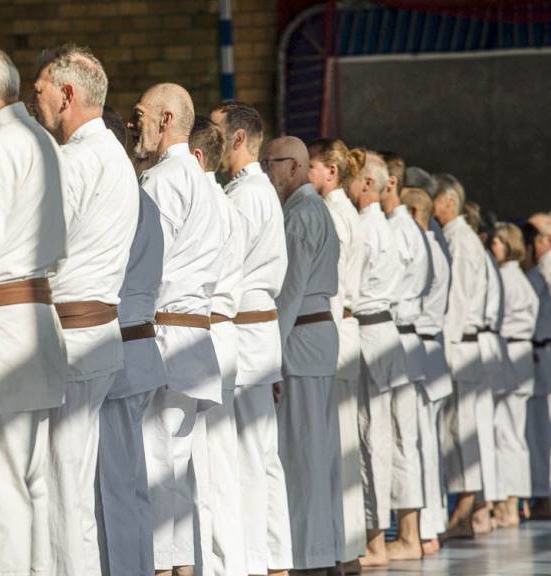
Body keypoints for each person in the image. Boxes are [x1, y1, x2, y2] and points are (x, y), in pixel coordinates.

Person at [0, 44, 68, 576]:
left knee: (1, 488)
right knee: (33, 483)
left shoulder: (1, 146)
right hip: (36, 320)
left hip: (4, 323)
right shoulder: (43, 141)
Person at [32, 44, 139, 575]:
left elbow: (42, 249)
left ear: (67, 94)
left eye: (40, 91)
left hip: (72, 337)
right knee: (72, 484)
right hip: (96, 334)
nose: (35, 100)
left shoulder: (75, 160)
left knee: (59, 487)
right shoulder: (114, 156)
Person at [129, 83, 224, 576]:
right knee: (176, 465)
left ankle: (165, 569)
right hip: (195, 334)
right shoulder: (207, 184)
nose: (134, 124)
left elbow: (145, 262)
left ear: (165, 119)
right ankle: (182, 567)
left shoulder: (163, 180)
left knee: (154, 463)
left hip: (164, 334)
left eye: (140, 114)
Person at [211, 101, 292, 576]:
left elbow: (225, 267)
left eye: (216, 131)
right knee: (260, 455)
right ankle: (272, 558)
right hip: (256, 332)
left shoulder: (246, 196)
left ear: (238, 138)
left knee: (246, 457)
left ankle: (253, 560)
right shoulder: (253, 191)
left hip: (244, 331)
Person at [263, 136, 343, 575]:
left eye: (271, 162)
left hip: (301, 338)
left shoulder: (300, 215)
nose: (266, 170)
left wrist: (270, 356)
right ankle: (325, 551)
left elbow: (288, 293)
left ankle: (310, 556)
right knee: (318, 449)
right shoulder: (313, 209)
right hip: (316, 336)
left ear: (294, 166)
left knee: (303, 453)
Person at [97, 107, 165, 576]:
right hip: (138, 345)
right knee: (132, 481)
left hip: (120, 346)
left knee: (116, 484)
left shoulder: (117, 195)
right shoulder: (142, 198)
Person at [188, 116, 247, 576]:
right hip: (221, 331)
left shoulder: (205, 202)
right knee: (219, 463)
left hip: (207, 329)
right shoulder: (224, 203)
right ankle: (226, 561)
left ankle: (216, 563)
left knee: (206, 466)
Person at [308, 138, 366, 574]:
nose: (306, 174)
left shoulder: (333, 215)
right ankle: (345, 547)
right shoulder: (345, 213)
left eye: (311, 166)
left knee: (336, 445)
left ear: (330, 171)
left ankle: (341, 548)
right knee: (341, 444)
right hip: (342, 332)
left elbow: (331, 284)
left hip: (333, 331)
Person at [347, 152, 407, 568]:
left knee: (370, 438)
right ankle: (375, 534)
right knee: (378, 436)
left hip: (369, 332)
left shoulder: (367, 227)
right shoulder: (383, 226)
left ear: (367, 183)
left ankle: (375, 539)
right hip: (382, 330)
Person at [431, 174, 487, 539]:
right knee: (455, 428)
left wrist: (446, 350)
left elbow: (459, 300)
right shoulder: (454, 237)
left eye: (435, 198)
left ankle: (465, 511)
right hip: (460, 344)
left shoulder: (462, 241)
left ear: (450, 201)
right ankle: (469, 507)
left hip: (461, 345)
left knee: (461, 428)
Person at [379, 151, 429, 560]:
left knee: (399, 439)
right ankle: (408, 531)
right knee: (402, 438)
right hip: (403, 338)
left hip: (397, 332)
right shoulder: (406, 227)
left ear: (390, 183)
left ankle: (409, 535)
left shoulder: (397, 229)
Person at [402, 188, 453, 556]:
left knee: (421, 444)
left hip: (421, 344)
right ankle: (431, 524)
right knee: (426, 444)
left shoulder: (425, 248)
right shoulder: (434, 247)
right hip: (429, 348)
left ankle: (427, 528)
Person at [462, 201, 508, 534]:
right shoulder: (486, 258)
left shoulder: (476, 254)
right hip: (486, 343)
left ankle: (483, 506)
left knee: (480, 429)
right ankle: (485, 504)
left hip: (479, 342)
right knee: (485, 429)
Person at [490, 223, 540, 527]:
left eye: (497, 242)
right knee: (513, 433)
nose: (493, 247)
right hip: (518, 354)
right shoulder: (518, 277)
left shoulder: (507, 278)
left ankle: (508, 503)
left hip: (511, 352)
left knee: (506, 432)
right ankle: (515, 500)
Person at [526, 213, 551, 516]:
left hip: (549, 355)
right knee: (542, 428)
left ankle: (550, 496)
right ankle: (547, 495)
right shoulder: (542, 268)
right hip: (542, 353)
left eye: (536, 237)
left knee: (547, 428)